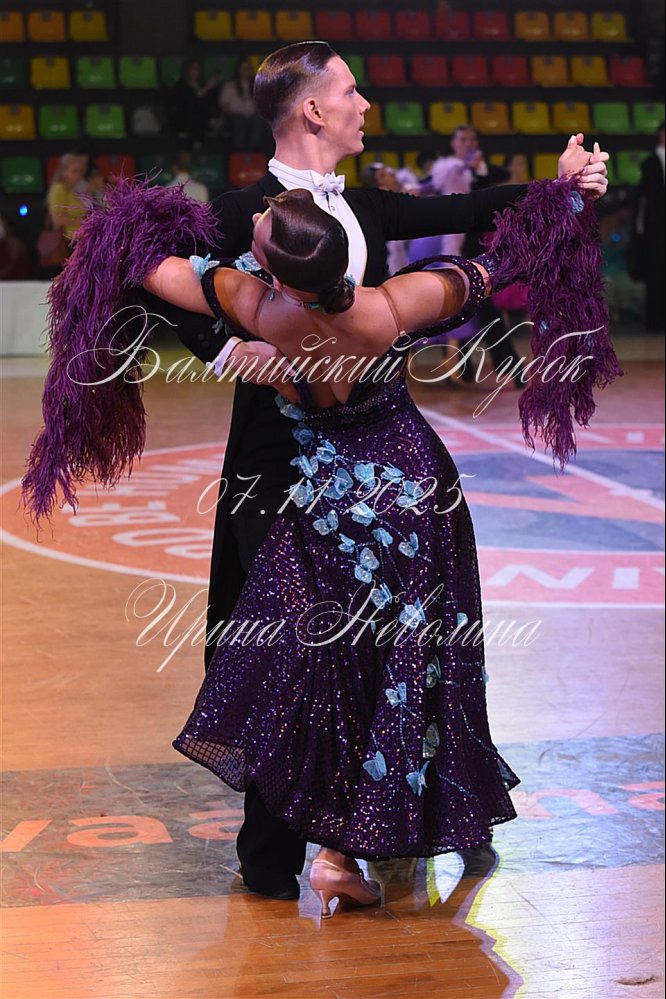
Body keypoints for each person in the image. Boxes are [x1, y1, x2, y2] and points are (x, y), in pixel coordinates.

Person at [23, 174, 618, 917]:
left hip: (330, 510)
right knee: (407, 662)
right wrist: (567, 197)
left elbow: (148, 264)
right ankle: (353, 848)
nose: (259, 214)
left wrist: (117, 229)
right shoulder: (390, 305)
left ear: (275, 272)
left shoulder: (258, 310)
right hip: (413, 497)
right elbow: (498, 265)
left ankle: (334, 849)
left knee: (327, 669)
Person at [136, 41, 609, 902]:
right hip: (279, 464)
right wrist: (227, 352)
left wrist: (557, 184)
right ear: (312, 108)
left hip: (374, 466)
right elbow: (478, 268)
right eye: (351, 90)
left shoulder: (360, 211)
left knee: (371, 646)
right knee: (279, 644)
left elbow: (472, 205)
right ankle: (283, 852)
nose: (364, 104)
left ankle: (364, 838)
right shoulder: (242, 211)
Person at [635, 122, 665, 331]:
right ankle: (655, 320)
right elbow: (648, 199)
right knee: (656, 274)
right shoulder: (649, 163)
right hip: (656, 228)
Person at [219, 57, 271, 153]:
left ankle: (254, 152)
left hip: (253, 116)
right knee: (239, 121)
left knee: (258, 121)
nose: (246, 71)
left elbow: (262, 106)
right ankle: (239, 153)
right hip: (235, 117)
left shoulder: (257, 85)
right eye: (243, 68)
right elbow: (225, 107)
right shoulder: (229, 86)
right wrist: (240, 106)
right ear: (238, 70)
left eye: (248, 68)